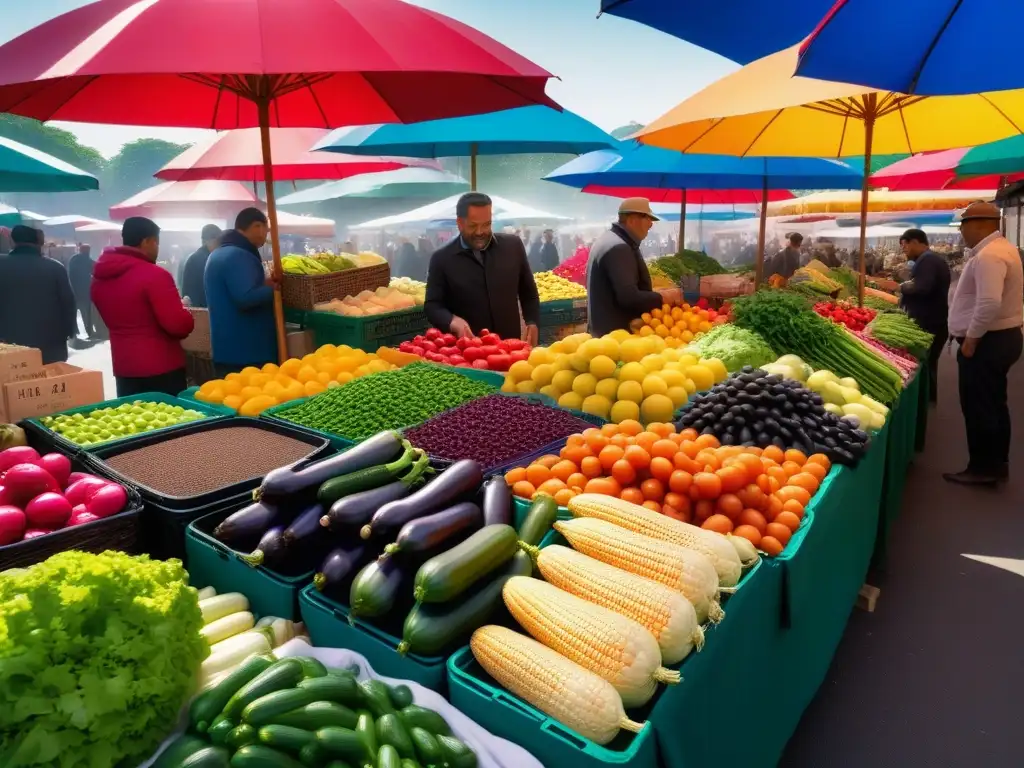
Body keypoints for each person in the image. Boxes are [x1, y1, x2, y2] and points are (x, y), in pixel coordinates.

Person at [944, 201, 1024, 486]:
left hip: (988, 341)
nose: (962, 233)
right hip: (1002, 337)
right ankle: (996, 463)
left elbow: (989, 302)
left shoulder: (990, 255)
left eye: (963, 226)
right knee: (994, 403)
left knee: (980, 406)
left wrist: (972, 339)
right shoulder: (1003, 249)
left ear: (977, 224)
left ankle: (983, 468)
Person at [91, 217, 195, 397]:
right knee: (170, 422)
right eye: (156, 243)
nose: (157, 249)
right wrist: (185, 312)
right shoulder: (155, 275)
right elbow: (177, 325)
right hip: (162, 367)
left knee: (136, 419)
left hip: (124, 367)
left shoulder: (99, 278)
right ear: (146, 241)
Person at [424, 192, 539, 345]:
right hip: (468, 353)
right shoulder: (442, 258)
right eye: (473, 226)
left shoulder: (513, 246)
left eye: (486, 224)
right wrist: (451, 320)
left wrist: (532, 321)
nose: (480, 232)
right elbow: (432, 306)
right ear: (459, 223)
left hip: (510, 349)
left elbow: (529, 293)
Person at [586, 198, 679, 336]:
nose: (651, 225)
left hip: (607, 334)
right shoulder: (619, 247)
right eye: (647, 219)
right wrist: (662, 297)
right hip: (615, 337)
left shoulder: (612, 239)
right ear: (632, 220)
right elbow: (628, 297)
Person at [206, 208, 278, 376]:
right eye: (264, 229)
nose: (265, 235)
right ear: (256, 226)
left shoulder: (218, 253)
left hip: (226, 350)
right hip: (248, 353)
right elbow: (245, 297)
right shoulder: (238, 255)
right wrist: (274, 289)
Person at [0, 226, 77, 363]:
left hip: (8, 347)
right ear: (38, 243)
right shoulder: (56, 268)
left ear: (12, 242)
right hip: (50, 347)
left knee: (14, 383)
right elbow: (68, 304)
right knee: (49, 381)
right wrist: (68, 332)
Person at [898, 229, 951, 404]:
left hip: (930, 322)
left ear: (915, 242)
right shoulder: (928, 260)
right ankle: (927, 399)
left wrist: (901, 287)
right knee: (929, 363)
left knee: (927, 363)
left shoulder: (928, 260)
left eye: (905, 245)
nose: (903, 249)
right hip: (934, 320)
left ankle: (925, 401)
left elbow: (922, 287)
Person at [179, 224, 222, 309]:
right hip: (202, 310)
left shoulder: (195, 257)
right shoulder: (205, 259)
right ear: (209, 240)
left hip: (195, 309)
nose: (220, 245)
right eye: (218, 241)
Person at [67, 244, 97, 339]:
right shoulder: (86, 260)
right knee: (86, 313)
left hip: (74, 290)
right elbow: (95, 270)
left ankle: (74, 332)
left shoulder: (73, 259)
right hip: (84, 291)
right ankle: (89, 332)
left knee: (74, 313)